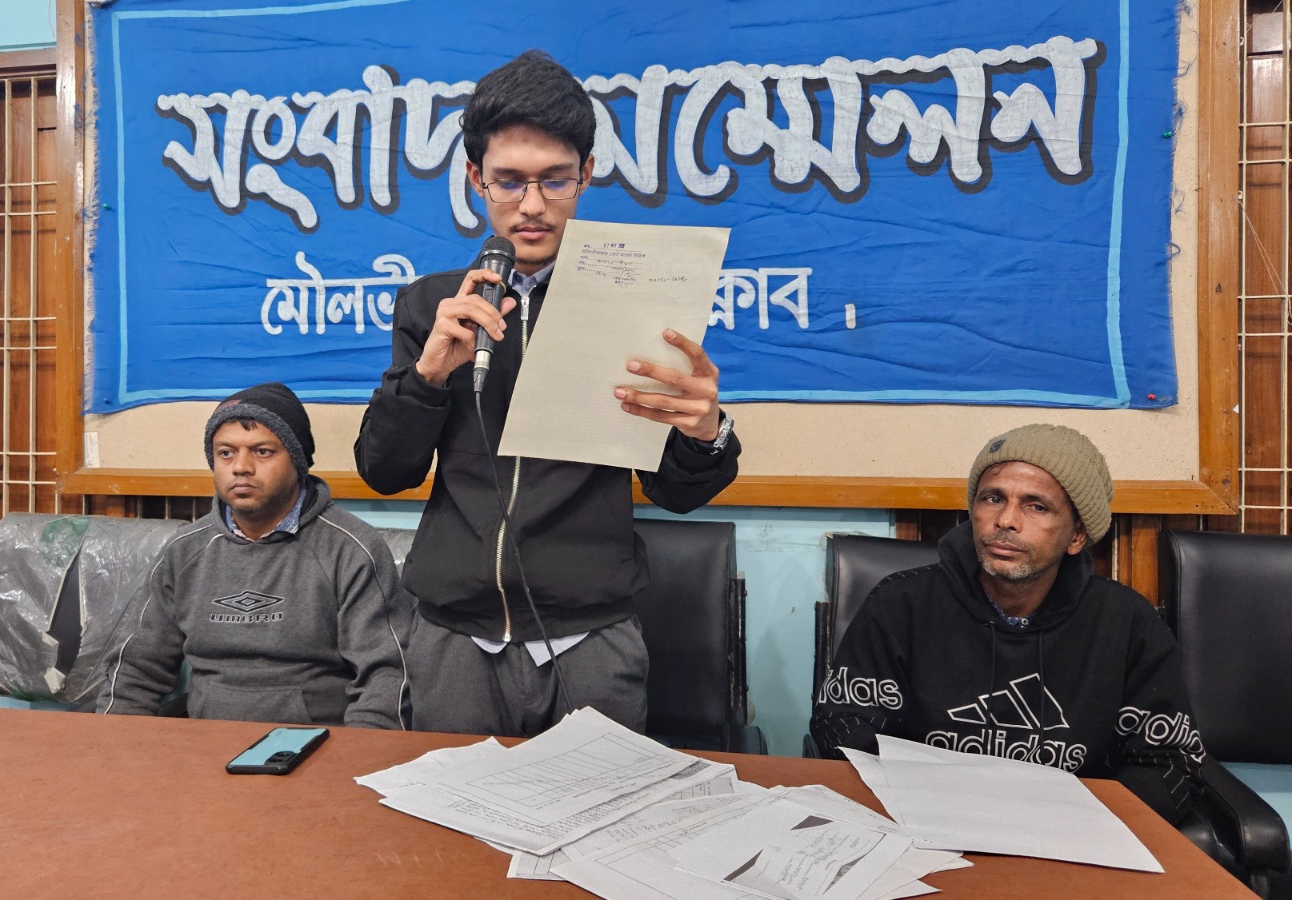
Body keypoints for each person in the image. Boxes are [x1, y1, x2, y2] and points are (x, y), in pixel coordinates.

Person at [353, 50, 740, 738]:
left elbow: (676, 493)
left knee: (603, 807)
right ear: (475, 178)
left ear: (586, 174)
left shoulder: (633, 300)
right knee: (454, 813)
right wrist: (427, 377)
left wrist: (705, 433)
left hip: (591, 637)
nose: (531, 206)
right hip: (453, 638)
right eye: (508, 181)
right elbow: (385, 471)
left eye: (554, 181)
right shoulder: (431, 305)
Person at [809, 424, 1206, 823]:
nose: (1006, 520)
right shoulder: (901, 602)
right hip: (924, 823)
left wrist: (1071, 822)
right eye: (993, 498)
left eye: (1037, 506)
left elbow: (1166, 763)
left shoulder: (1127, 623)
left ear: (1077, 536)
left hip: (1068, 835)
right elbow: (844, 726)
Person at [100, 382, 408, 729]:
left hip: (316, 745)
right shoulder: (184, 551)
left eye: (262, 451)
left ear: (297, 461)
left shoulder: (351, 549)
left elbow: (385, 679)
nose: (241, 467)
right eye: (226, 453)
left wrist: (358, 755)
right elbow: (135, 670)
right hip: (205, 743)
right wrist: (112, 746)